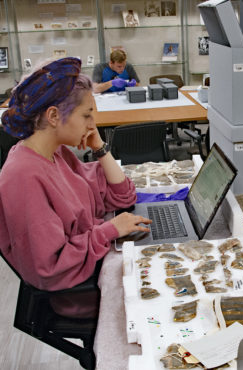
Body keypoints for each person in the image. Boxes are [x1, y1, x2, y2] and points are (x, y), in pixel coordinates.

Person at [0, 57, 152, 293]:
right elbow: (50, 269)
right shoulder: (23, 175)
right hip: (75, 290)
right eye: (86, 115)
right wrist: (109, 230)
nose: (93, 124)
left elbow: (123, 196)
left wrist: (100, 147)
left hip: (91, 265)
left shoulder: (55, 153)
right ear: (53, 116)